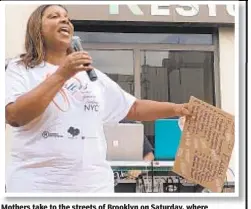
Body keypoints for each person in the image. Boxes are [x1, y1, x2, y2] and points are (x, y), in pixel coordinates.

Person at [5, 5, 191, 193]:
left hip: (94, 188)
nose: (65, 21)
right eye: (54, 16)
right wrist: (62, 74)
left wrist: (176, 109)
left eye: (67, 18)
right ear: (36, 28)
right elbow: (14, 116)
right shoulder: (20, 69)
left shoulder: (93, 77)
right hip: (37, 188)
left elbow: (133, 108)